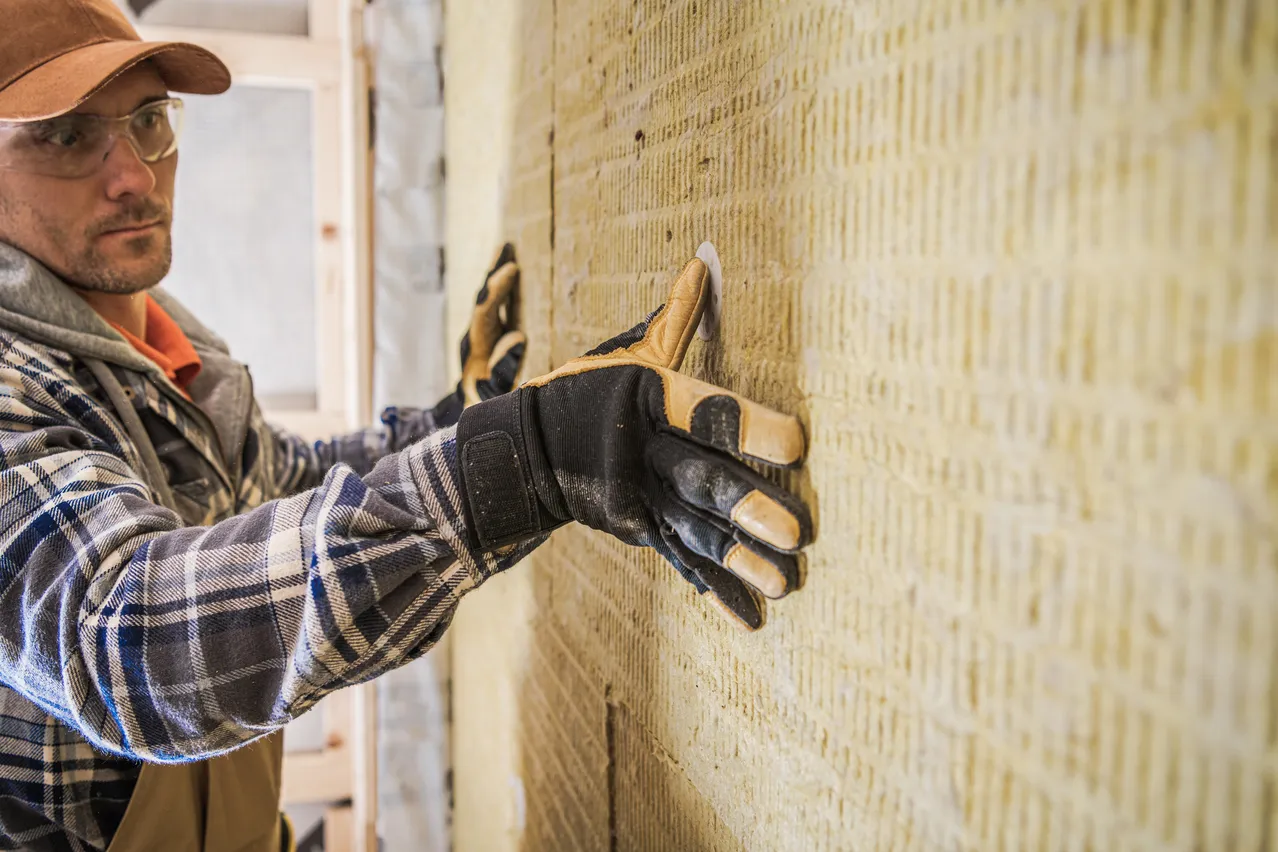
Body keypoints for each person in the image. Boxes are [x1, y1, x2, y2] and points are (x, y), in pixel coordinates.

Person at [0, 1, 814, 849]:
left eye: (148, 119)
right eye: (63, 135)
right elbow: (125, 639)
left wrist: (472, 420)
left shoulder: (161, 350)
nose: (133, 173)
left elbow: (282, 485)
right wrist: (517, 462)